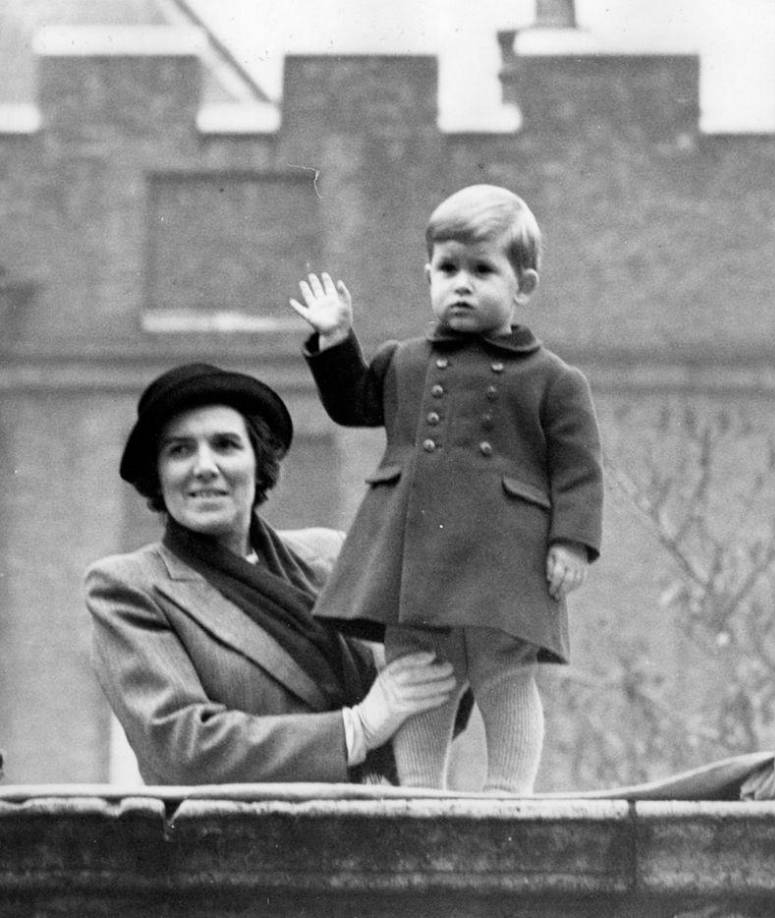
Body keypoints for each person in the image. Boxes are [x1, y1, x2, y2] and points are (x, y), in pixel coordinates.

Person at [289, 184, 604, 793]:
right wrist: (334, 340)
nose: (461, 283)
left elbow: (578, 467)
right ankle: (419, 793)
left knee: (504, 676)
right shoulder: (403, 361)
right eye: (447, 268)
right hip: (414, 557)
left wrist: (571, 542)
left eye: (482, 270)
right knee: (421, 675)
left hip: (502, 562)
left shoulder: (554, 379)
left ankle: (508, 795)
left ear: (524, 284)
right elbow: (353, 405)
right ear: (428, 274)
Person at [84, 362, 459, 785]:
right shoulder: (128, 588)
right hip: (237, 844)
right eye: (179, 450)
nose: (204, 466)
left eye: (225, 445)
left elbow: (420, 694)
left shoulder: (331, 554)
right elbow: (181, 745)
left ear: (258, 461)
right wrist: (357, 728)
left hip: (380, 827)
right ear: (158, 474)